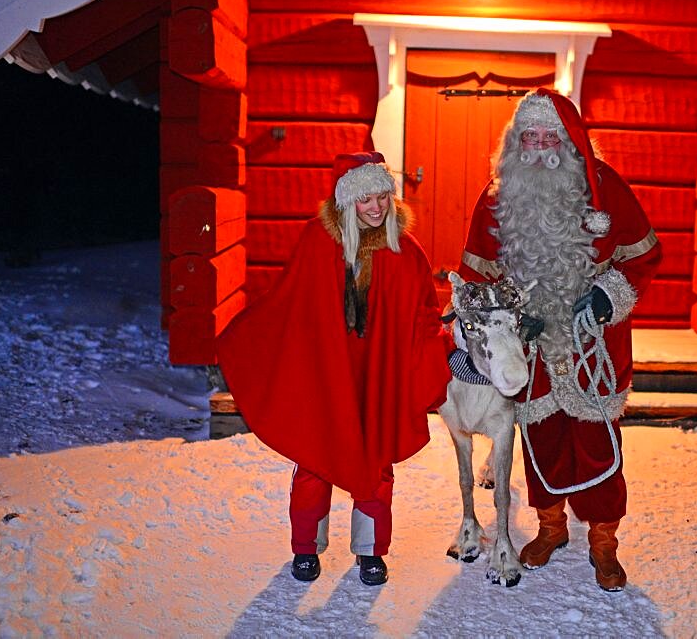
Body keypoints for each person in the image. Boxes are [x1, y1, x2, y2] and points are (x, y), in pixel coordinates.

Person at [458, 89, 662, 591]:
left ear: (571, 140)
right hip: (530, 347)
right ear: (516, 141)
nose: (542, 145)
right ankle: (551, 527)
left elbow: (644, 257)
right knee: (541, 439)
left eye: (553, 135)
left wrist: (606, 297)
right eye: (532, 135)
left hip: (594, 346)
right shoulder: (494, 198)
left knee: (597, 442)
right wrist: (483, 333)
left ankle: (603, 538)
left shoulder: (607, 188)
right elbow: (476, 276)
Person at [217, 152, 450, 586]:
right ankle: (305, 546)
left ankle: (370, 550)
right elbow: (290, 301)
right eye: (365, 200)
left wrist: (439, 349)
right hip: (326, 371)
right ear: (346, 202)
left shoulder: (405, 248)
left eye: (382, 197)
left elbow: (424, 313)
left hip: (380, 372)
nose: (377, 208)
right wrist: (246, 338)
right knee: (315, 457)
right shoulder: (317, 241)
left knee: (376, 458)